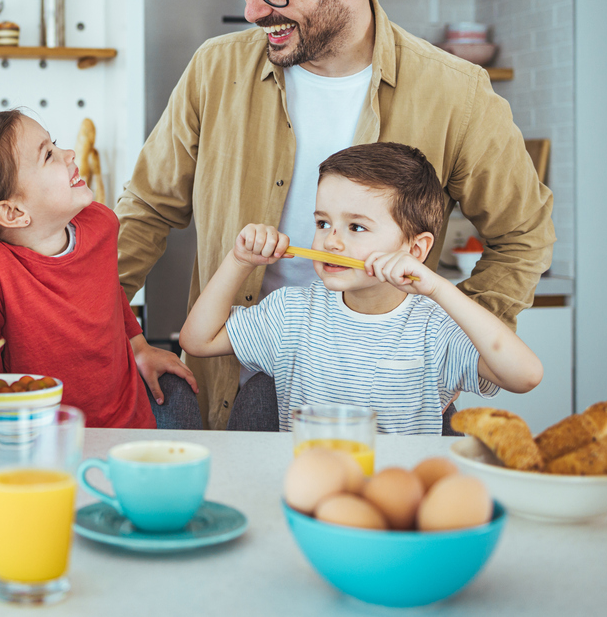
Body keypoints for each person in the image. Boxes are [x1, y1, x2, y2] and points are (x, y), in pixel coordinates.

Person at [116, 0, 555, 430]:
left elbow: (522, 236)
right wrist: (109, 330)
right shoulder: (213, 69)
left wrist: (455, 347)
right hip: (234, 388)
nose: (253, 9)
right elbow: (146, 212)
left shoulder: (455, 91)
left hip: (386, 400)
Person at [179, 143, 543, 434]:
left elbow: (525, 376)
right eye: (323, 223)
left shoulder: (437, 327)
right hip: (307, 491)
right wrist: (239, 261)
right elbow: (197, 341)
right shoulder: (291, 313)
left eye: (356, 228)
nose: (330, 242)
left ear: (414, 250)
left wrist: (439, 289)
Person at [0, 110, 198, 429]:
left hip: (128, 426)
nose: (69, 154)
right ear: (13, 212)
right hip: (42, 441)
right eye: (48, 155)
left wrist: (139, 346)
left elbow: (111, 293)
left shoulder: (101, 223)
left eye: (54, 144)